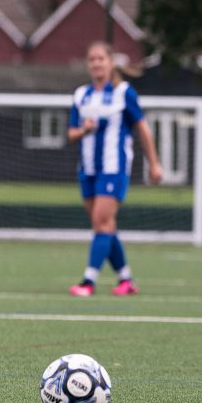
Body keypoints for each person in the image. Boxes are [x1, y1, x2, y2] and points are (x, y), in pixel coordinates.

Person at [67, 41, 162, 296]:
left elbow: (142, 128)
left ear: (110, 63)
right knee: (106, 226)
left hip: (114, 167)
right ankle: (126, 279)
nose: (96, 63)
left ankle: (88, 281)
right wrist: (84, 129)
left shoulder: (124, 93)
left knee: (101, 222)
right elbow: (71, 133)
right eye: (92, 59)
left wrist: (154, 163)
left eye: (101, 59)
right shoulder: (81, 95)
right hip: (88, 168)